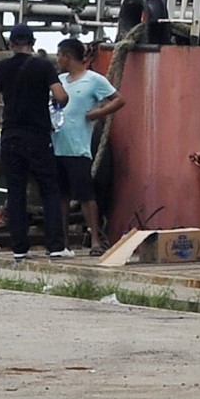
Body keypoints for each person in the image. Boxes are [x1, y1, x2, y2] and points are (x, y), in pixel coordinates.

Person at [0, 26, 66, 257]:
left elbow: (3, 94)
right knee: (49, 190)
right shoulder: (43, 66)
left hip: (10, 134)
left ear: (11, 43)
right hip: (37, 135)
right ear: (33, 42)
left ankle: (19, 249)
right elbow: (60, 96)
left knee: (15, 192)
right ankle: (55, 247)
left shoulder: (3, 67)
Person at [48, 37, 123, 252]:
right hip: (57, 143)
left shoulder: (94, 80)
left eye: (59, 55)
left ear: (67, 56)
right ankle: (61, 240)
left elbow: (118, 99)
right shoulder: (59, 80)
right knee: (61, 195)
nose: (58, 59)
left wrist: (98, 113)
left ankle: (96, 239)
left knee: (85, 195)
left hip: (78, 146)